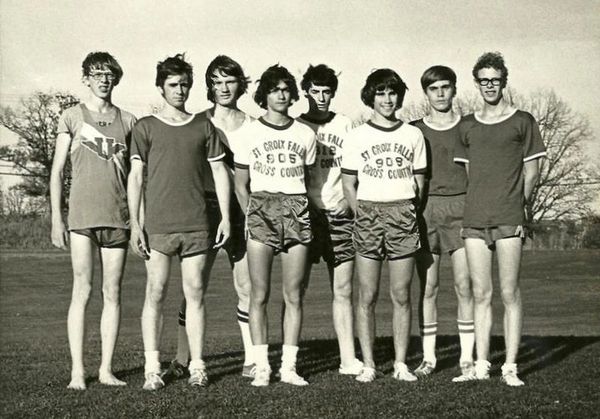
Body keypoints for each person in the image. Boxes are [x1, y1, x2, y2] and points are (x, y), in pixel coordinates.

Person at [128, 53, 231, 390]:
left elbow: (219, 172)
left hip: (197, 224)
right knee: (155, 292)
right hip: (157, 226)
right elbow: (136, 178)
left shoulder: (203, 126)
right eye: (173, 85)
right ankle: (151, 368)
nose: (180, 90)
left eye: (185, 84)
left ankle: (198, 365)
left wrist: (226, 217)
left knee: (196, 292)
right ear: (161, 88)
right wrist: (135, 223)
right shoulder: (145, 127)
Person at [454, 52, 546, 386]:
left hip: (509, 218)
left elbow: (532, 171)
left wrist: (516, 205)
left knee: (509, 292)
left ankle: (510, 366)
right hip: (475, 219)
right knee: (481, 293)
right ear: (476, 83)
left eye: (495, 79)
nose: (489, 85)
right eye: (483, 80)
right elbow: (468, 173)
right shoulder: (467, 125)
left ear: (504, 81)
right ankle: (481, 364)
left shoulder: (523, 121)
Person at [163, 55, 256, 381]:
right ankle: (181, 358)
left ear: (240, 84)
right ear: (208, 87)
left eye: (229, 81)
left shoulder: (254, 125)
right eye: (216, 82)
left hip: (243, 209)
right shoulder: (197, 121)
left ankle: (251, 359)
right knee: (194, 286)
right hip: (204, 208)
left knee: (246, 285)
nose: (223, 88)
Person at [50, 51, 136, 390]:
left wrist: (137, 220)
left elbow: (134, 177)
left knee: (112, 293)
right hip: (82, 217)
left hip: (118, 218)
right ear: (86, 78)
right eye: (97, 73)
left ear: (116, 78)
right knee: (82, 291)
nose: (103, 79)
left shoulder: (129, 120)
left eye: (109, 74)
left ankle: (106, 369)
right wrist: (58, 218)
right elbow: (57, 172)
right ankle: (77, 372)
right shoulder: (72, 116)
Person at [341, 69, 427, 383]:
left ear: (399, 96)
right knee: (367, 294)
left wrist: (407, 211)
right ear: (370, 96)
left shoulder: (412, 135)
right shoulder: (357, 135)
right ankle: (369, 363)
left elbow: (420, 183)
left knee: (401, 293)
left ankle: (401, 363)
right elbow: (349, 183)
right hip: (367, 214)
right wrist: (361, 213)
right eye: (381, 93)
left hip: (402, 213)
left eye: (392, 93)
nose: (387, 99)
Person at [234, 64, 317, 387]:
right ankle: (262, 365)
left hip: (296, 207)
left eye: (286, 89)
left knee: (294, 293)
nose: (281, 94)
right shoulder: (249, 133)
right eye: (274, 89)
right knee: (259, 294)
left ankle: (289, 366)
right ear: (264, 95)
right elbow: (241, 184)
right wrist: (252, 215)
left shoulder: (305, 134)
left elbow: (307, 180)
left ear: (293, 94)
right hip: (262, 209)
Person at [297, 64, 363, 376]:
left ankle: (348, 358)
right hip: (306, 217)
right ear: (306, 91)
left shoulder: (346, 125)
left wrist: (350, 206)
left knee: (344, 289)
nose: (322, 97)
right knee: (296, 290)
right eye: (316, 91)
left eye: (327, 91)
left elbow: (355, 172)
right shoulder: (296, 126)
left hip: (340, 215)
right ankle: (290, 360)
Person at [411, 66, 475, 381]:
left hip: (462, 206)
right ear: (426, 92)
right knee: (429, 287)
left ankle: (466, 358)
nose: (440, 93)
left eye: (445, 87)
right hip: (425, 211)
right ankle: (428, 358)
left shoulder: (469, 127)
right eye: (433, 88)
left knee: (464, 285)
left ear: (454, 89)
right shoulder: (413, 130)